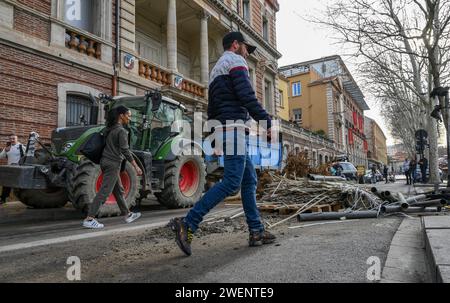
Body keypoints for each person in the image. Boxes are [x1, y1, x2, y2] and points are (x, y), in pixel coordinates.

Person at [168, 31, 276, 256]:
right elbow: (248, 97)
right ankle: (188, 223)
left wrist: (213, 134)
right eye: (247, 48)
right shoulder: (236, 62)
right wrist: (266, 123)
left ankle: (256, 230)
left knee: (249, 180)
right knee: (231, 182)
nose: (248, 53)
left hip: (225, 129)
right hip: (234, 129)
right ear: (236, 45)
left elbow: (212, 107)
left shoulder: (217, 69)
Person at [82, 106, 143, 229]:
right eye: (128, 115)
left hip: (105, 161)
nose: (129, 118)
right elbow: (125, 150)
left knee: (118, 190)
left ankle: (127, 214)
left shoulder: (109, 129)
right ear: (121, 115)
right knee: (105, 191)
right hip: (113, 163)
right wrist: (136, 166)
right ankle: (90, 218)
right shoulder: (121, 131)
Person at [0, 134, 25, 204]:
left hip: (19, 168)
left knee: (20, 185)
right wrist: (5, 150)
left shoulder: (21, 146)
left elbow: (28, 155)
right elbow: (1, 156)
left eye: (13, 138)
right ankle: (3, 199)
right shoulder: (8, 147)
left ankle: (24, 199)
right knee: (6, 184)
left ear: (17, 139)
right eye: (10, 139)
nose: (12, 140)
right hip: (10, 168)